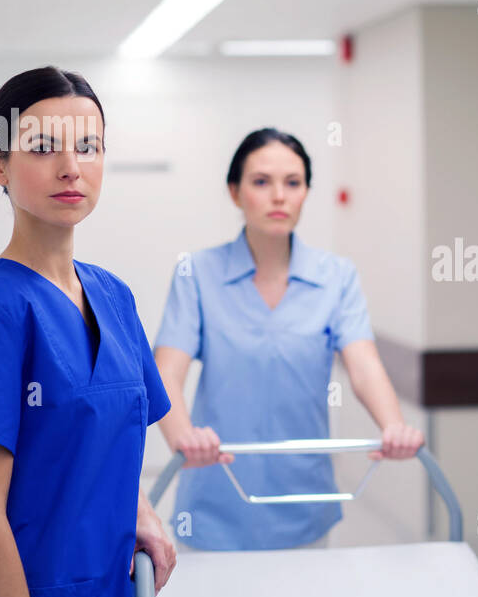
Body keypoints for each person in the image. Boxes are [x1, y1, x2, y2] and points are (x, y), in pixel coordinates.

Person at [0, 66, 176, 597]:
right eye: (43, 148)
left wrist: (139, 510)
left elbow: (113, 439)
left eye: (88, 146)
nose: (72, 167)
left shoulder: (114, 297)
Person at [153, 128, 424, 550]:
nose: (279, 196)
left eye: (293, 183)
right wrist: (183, 436)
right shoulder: (198, 274)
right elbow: (165, 372)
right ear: (235, 192)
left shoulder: (336, 277)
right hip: (215, 498)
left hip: (305, 502)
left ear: (306, 193)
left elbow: (364, 366)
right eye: (261, 182)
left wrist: (394, 426)